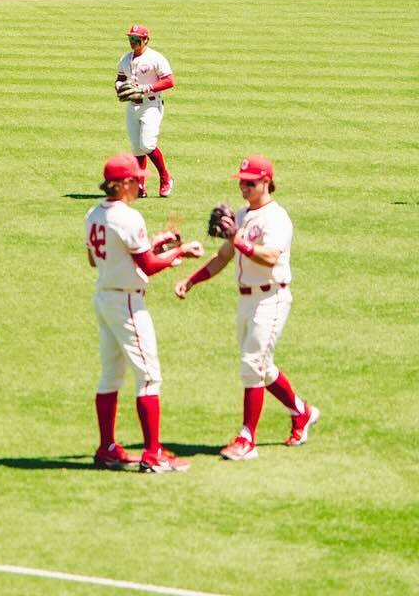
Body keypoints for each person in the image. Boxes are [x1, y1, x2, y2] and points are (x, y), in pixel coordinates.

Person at [173, 154, 319, 460]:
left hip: (271, 299)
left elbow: (270, 257)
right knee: (262, 368)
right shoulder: (243, 215)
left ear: (266, 182)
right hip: (246, 300)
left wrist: (238, 240)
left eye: (250, 183)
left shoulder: (277, 218)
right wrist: (192, 280)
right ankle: (302, 412)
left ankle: (246, 439)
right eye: (241, 182)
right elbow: (224, 257)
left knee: (252, 365)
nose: (244, 188)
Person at [84, 152, 205, 473]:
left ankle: (107, 447)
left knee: (110, 376)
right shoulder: (128, 217)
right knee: (149, 377)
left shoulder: (92, 213)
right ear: (123, 184)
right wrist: (180, 251)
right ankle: (153, 454)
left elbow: (95, 260)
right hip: (126, 304)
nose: (140, 184)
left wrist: (153, 245)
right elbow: (149, 266)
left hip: (104, 297)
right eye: (137, 179)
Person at [115, 24, 176, 198]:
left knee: (147, 144)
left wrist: (146, 88)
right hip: (132, 106)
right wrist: (119, 87)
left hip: (151, 105)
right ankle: (140, 186)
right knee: (137, 148)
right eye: (131, 39)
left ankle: (166, 178)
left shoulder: (156, 58)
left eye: (136, 39)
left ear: (146, 40)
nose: (133, 42)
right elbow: (119, 79)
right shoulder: (125, 59)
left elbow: (169, 80)